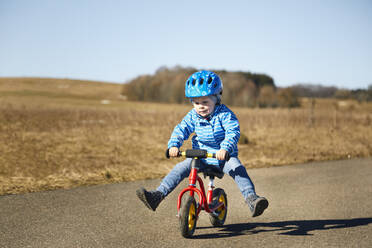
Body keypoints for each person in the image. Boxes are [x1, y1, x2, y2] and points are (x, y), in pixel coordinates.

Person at [136, 70, 268, 217]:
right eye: (196, 102)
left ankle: (251, 198)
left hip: (222, 157)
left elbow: (233, 132)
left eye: (205, 102)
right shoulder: (193, 116)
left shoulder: (224, 114)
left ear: (216, 98)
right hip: (200, 156)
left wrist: (224, 149)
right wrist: (174, 145)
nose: (200, 106)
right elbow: (182, 129)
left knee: (238, 169)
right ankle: (158, 196)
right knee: (179, 169)